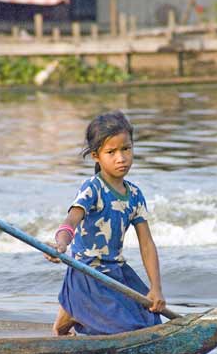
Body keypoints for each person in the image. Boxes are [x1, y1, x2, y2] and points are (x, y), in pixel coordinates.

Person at [46, 110, 166, 336]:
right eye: (111, 152)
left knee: (149, 317)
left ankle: (70, 312)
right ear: (95, 156)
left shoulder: (135, 195)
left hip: (116, 271)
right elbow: (72, 219)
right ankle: (74, 307)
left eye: (126, 149)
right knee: (128, 328)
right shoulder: (92, 188)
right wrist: (60, 245)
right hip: (88, 273)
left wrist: (156, 288)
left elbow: (147, 243)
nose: (121, 158)